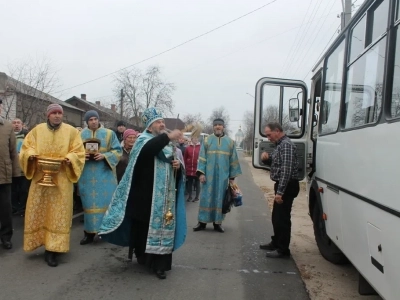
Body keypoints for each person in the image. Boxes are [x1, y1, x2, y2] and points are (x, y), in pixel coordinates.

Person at [99, 107, 186, 280]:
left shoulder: (166, 144)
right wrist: (167, 136)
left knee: (163, 228)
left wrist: (178, 167)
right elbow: (148, 151)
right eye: (158, 122)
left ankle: (160, 265)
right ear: (149, 126)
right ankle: (144, 257)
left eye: (162, 121)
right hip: (145, 195)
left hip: (164, 197)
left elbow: (171, 162)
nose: (162, 124)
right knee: (143, 228)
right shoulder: (143, 141)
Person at [19, 104, 85, 266]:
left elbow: (79, 152)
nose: (57, 116)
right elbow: (26, 148)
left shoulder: (71, 131)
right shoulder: (37, 130)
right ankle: (40, 241)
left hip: (62, 180)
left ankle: (53, 249)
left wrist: (71, 158)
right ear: (48, 115)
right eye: (54, 113)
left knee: (58, 214)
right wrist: (31, 156)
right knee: (39, 211)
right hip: (40, 179)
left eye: (59, 113)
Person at [78, 110, 122, 245]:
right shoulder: (80, 135)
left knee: (106, 203)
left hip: (105, 174)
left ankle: (106, 232)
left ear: (98, 120)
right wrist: (81, 156)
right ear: (87, 122)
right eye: (90, 119)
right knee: (88, 204)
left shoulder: (109, 134)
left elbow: (117, 151)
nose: (93, 121)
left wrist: (104, 156)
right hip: (86, 175)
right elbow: (74, 151)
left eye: (95, 119)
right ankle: (89, 234)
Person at [193, 118, 242, 233]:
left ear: (223, 127)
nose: (218, 127)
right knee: (206, 198)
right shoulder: (207, 140)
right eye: (216, 125)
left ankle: (217, 223)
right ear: (213, 127)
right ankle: (202, 223)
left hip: (223, 177)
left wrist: (231, 178)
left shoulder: (230, 142)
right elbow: (202, 158)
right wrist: (201, 173)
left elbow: (233, 160)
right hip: (208, 176)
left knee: (220, 199)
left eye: (220, 125)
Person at [259, 122, 300, 259]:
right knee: (276, 217)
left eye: (269, 134)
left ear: (277, 131)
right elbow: (277, 164)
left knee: (282, 218)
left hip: (287, 186)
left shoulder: (286, 145)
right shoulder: (280, 146)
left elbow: (286, 171)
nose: (268, 138)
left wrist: (280, 192)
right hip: (283, 185)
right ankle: (276, 242)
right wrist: (267, 160)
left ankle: (283, 249)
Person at [0, 100, 20, 250]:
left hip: (3, 174)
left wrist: (15, 173)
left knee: (5, 209)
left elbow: (13, 152)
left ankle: (6, 237)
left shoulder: (7, 126)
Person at [11, 118, 30, 215]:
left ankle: (23, 208)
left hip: (24, 168)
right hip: (12, 168)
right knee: (13, 190)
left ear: (22, 124)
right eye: (14, 123)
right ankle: (14, 207)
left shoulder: (27, 135)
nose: (16, 125)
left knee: (23, 189)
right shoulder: (8, 135)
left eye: (18, 123)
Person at [184, 136, 201, 202]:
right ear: (192, 139)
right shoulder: (188, 148)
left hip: (197, 168)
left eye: (197, 138)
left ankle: (197, 197)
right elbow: (185, 158)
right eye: (194, 138)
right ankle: (190, 196)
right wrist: (185, 166)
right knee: (189, 183)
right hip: (189, 168)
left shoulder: (200, 148)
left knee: (197, 183)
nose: (195, 140)